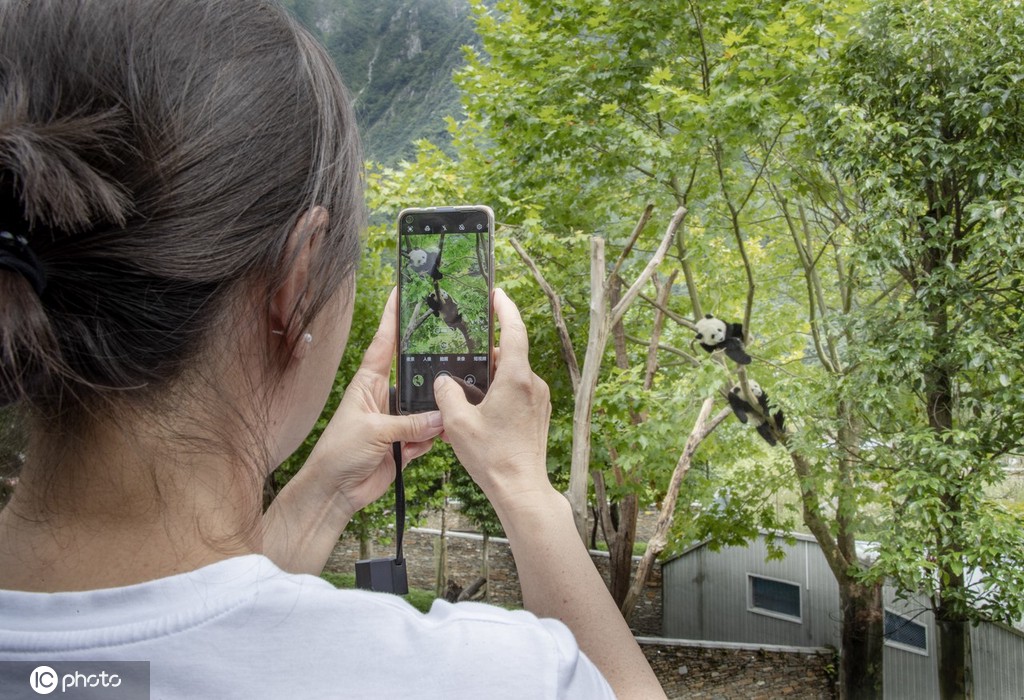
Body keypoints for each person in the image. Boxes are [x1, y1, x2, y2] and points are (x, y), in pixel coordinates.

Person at [0, 1, 666, 698]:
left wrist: (321, 499)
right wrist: (529, 496)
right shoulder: (477, 677)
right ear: (297, 279)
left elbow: (167, 636)